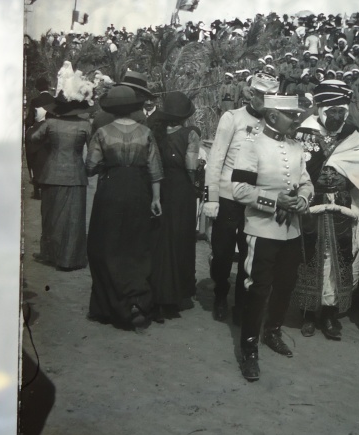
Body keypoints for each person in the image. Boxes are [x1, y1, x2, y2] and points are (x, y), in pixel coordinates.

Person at [292, 80, 359, 339]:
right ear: (320, 109)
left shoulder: (352, 135)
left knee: (340, 259)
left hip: (341, 208)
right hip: (311, 205)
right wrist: (313, 178)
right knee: (310, 257)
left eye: (341, 112)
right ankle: (309, 313)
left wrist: (348, 177)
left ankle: (331, 315)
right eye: (332, 111)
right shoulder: (303, 132)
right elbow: (293, 165)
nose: (337, 117)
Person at [231, 94, 313, 381]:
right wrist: (274, 201)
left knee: (286, 284)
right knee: (258, 288)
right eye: (292, 115)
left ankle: (273, 331)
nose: (297, 120)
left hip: (291, 231)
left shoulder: (296, 146)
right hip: (262, 230)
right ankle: (249, 349)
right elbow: (239, 190)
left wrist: (302, 199)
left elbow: (305, 182)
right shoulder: (252, 145)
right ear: (273, 116)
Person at [202, 73, 279, 323]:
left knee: (250, 254)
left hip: (255, 199)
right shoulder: (232, 118)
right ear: (250, 94)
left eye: (270, 98)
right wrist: (212, 196)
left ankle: (242, 304)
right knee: (223, 253)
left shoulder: (273, 123)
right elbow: (216, 158)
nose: (265, 102)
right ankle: (221, 294)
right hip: (227, 196)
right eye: (260, 96)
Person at [85, 85, 164, 329]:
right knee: (136, 245)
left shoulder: (102, 132)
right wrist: (156, 199)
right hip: (138, 191)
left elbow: (91, 166)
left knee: (107, 244)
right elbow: (155, 170)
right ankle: (136, 301)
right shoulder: (145, 132)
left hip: (110, 190)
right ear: (133, 108)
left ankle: (109, 305)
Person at [146, 92, 201, 321]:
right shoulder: (190, 134)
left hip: (160, 187)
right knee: (181, 239)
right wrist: (196, 183)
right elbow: (191, 166)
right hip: (181, 190)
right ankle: (177, 294)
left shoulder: (156, 132)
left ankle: (158, 293)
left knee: (160, 240)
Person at [26, 90, 92, 271]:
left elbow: (33, 138)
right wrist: (88, 168)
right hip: (76, 175)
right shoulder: (85, 125)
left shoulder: (51, 123)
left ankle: (48, 254)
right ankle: (70, 259)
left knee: (50, 216)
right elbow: (93, 151)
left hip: (51, 173)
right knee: (73, 219)